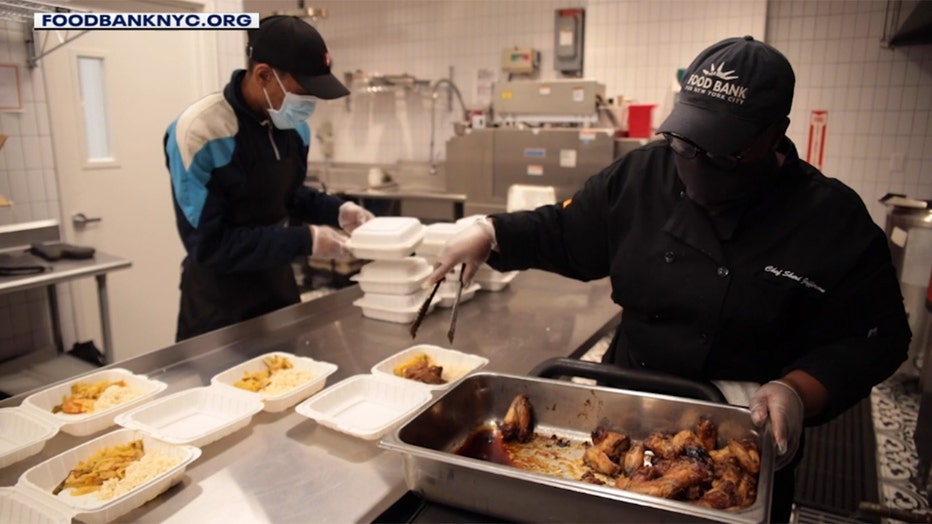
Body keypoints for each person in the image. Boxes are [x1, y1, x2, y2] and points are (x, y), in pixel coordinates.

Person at [430, 36, 910, 521]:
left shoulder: (830, 218)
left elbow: (878, 336)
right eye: (684, 141)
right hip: (630, 412)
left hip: (748, 428)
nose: (694, 162)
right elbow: (567, 231)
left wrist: (799, 391)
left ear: (774, 133)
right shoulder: (642, 176)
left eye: (720, 151)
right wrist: (491, 233)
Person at [164, 16, 373, 342]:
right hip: (219, 304)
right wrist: (307, 240)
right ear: (264, 75)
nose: (309, 105)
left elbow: (288, 196)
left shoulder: (293, 128)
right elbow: (210, 245)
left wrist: (339, 211)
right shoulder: (200, 132)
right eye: (304, 92)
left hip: (276, 286)